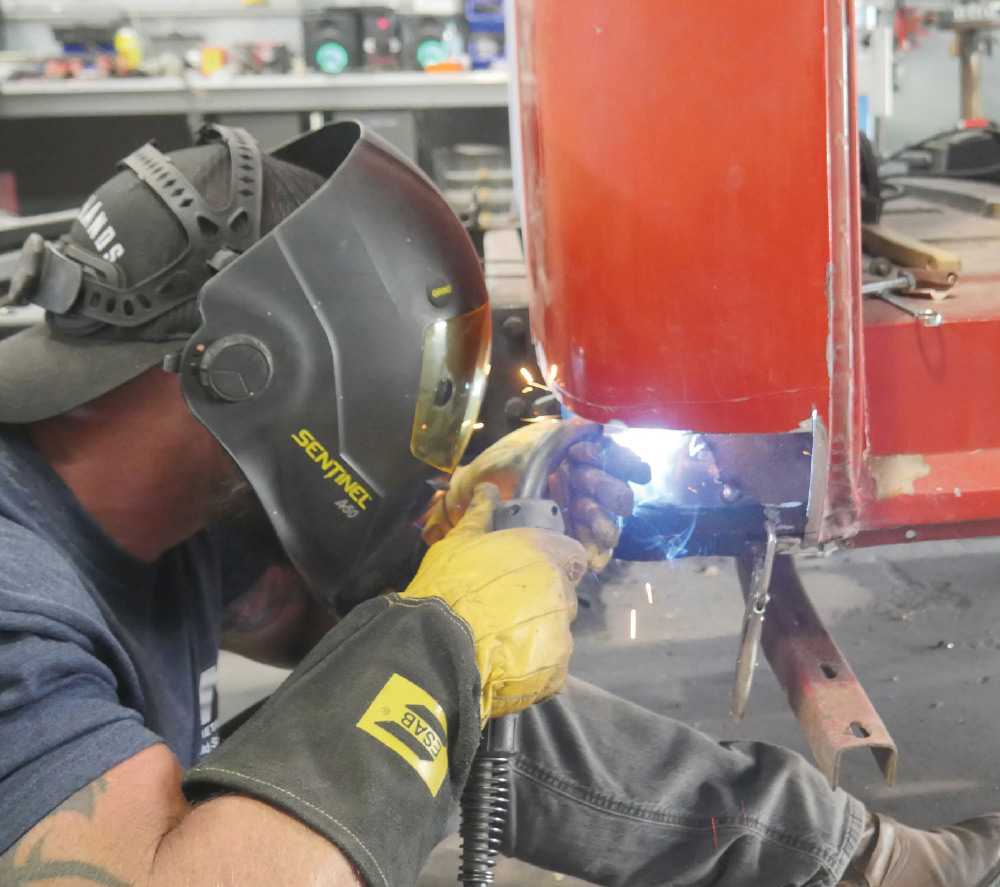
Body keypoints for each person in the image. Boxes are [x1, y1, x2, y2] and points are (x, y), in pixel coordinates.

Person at [0, 122, 997, 887]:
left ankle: (870, 862)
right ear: (267, 368)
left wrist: (473, 534)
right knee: (416, 684)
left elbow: (325, 630)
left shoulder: (142, 503)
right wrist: (447, 635)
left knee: (430, 691)